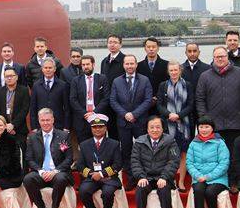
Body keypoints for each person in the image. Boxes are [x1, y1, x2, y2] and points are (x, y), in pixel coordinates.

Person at [195, 47, 240, 159]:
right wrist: (205, 119)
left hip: (237, 124)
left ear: (227, 56)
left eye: (223, 56)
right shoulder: (205, 76)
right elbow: (200, 99)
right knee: (215, 157)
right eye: (217, 57)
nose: (220, 59)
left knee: (236, 157)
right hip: (214, 125)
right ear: (213, 58)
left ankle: (235, 177)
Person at [23, 108, 72, 208]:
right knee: (28, 179)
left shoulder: (63, 135)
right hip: (41, 173)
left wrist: (55, 171)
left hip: (58, 172)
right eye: (43, 120)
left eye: (48, 120)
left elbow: (69, 159)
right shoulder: (33, 137)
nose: (45, 123)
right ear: (39, 121)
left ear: (53, 120)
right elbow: (29, 159)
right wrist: (40, 171)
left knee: (61, 179)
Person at [109, 54, 153, 188]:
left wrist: (134, 114)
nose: (129, 66)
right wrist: (125, 114)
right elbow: (113, 100)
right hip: (123, 122)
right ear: (123, 65)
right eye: (127, 64)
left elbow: (148, 100)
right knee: (126, 151)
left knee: (143, 150)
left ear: (136, 64)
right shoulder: (117, 81)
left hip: (140, 121)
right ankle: (130, 178)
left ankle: (144, 176)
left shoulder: (144, 80)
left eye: (132, 64)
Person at [131, 116, 180, 208]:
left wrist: (165, 177)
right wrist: (141, 177)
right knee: (140, 189)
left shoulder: (170, 141)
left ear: (163, 129)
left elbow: (174, 161)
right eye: (152, 127)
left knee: (164, 190)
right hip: (146, 177)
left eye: (158, 127)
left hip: (162, 177)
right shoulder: (139, 142)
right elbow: (135, 161)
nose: (155, 130)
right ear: (147, 130)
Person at [76, 114, 121, 208]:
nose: (97, 129)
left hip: (109, 178)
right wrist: (92, 174)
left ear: (105, 128)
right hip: (91, 178)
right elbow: (80, 165)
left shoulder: (114, 144)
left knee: (107, 192)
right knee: (83, 191)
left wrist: (101, 174)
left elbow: (118, 164)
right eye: (94, 127)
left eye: (100, 127)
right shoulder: (84, 145)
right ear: (91, 128)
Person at [186, 117, 230, 208]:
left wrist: (208, 176)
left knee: (210, 192)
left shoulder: (220, 143)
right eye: (201, 127)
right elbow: (189, 163)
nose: (204, 130)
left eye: (207, 127)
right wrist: (198, 176)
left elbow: (224, 163)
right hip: (199, 177)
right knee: (199, 190)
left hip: (218, 178)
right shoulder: (193, 143)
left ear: (212, 129)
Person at [157, 61, 195, 191]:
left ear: (180, 71)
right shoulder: (163, 86)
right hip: (168, 125)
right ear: (168, 72)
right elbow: (159, 105)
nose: (174, 72)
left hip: (184, 125)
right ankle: (171, 179)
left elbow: (191, 104)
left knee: (183, 153)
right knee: (169, 154)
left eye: (176, 70)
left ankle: (182, 182)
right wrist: (169, 114)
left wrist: (178, 115)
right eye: (171, 70)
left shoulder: (187, 85)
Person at [69, 55, 110, 144]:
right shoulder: (76, 81)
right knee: (84, 147)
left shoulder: (102, 78)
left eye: (88, 64)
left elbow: (106, 98)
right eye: (83, 65)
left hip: (98, 118)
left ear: (93, 64)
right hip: (82, 119)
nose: (85, 67)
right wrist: (85, 114)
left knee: (100, 145)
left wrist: (94, 112)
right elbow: (73, 100)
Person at [0, 66, 31, 154]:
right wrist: (6, 126)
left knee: (21, 154)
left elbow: (24, 110)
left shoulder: (24, 91)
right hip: (3, 130)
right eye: (6, 76)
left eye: (11, 76)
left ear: (16, 77)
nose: (9, 78)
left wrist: (13, 125)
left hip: (19, 129)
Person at [29, 58, 70, 131]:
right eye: (46, 68)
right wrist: (34, 127)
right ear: (42, 69)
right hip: (41, 125)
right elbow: (33, 108)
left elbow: (67, 108)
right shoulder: (36, 85)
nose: (48, 70)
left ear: (54, 69)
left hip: (58, 125)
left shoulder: (63, 85)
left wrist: (66, 126)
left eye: (50, 68)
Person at [137, 38, 168, 116]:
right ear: (145, 48)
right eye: (148, 47)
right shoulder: (138, 66)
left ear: (158, 48)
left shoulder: (166, 65)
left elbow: (168, 84)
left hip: (162, 104)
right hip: (143, 104)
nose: (151, 49)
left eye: (153, 47)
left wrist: (157, 97)